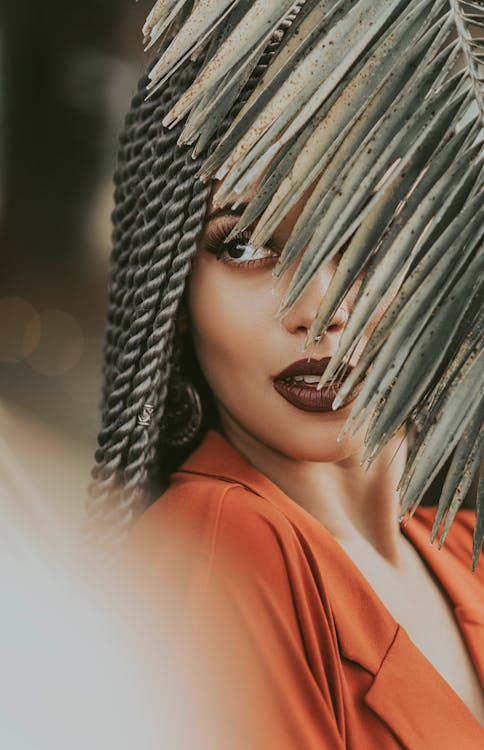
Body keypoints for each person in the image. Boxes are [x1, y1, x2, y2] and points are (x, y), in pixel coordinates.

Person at [84, 14, 484, 749]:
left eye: (367, 228)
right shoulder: (218, 550)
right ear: (172, 291)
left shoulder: (464, 549)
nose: (316, 308)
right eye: (243, 244)